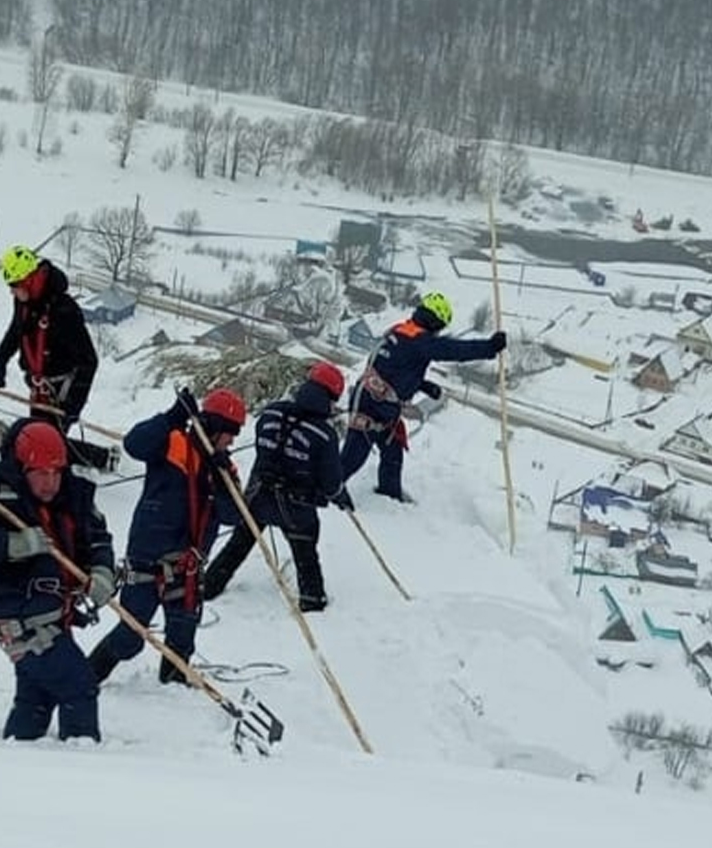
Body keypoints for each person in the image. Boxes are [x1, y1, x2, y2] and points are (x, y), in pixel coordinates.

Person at [0, 418, 116, 742]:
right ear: (21, 468)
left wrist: (103, 571)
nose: (50, 482)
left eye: (56, 472)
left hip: (56, 613)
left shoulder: (73, 493)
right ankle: (84, 766)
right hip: (17, 615)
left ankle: (21, 754)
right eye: (40, 473)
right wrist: (13, 544)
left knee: (38, 696)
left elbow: (98, 538)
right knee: (78, 685)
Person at [86, 387, 247, 686]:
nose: (232, 440)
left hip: (187, 569)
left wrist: (222, 481)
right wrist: (172, 417)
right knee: (129, 637)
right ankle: (85, 678)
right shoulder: (173, 442)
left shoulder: (224, 469)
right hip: (148, 561)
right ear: (214, 427)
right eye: (230, 432)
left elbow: (234, 516)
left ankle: (173, 692)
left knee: (182, 638)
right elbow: (134, 444)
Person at [200, 361, 349, 613]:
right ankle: (312, 599)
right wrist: (339, 495)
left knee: (240, 542)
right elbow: (330, 480)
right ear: (329, 397)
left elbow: (263, 449)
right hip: (295, 506)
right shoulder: (324, 434)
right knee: (305, 549)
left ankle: (210, 585)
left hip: (258, 495)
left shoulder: (271, 413)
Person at [340, 291, 505, 503]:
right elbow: (454, 350)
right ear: (435, 322)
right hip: (373, 405)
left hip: (376, 401)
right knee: (355, 453)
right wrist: (490, 347)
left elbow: (396, 370)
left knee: (392, 451)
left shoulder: (401, 331)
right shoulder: (419, 340)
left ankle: (388, 494)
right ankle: (325, 489)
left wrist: (424, 386)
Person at [0, 245, 108, 470]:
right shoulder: (24, 303)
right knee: (40, 436)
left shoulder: (64, 311)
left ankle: (91, 463)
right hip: (39, 387)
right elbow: (17, 331)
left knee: (48, 444)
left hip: (61, 392)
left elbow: (89, 360)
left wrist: (73, 403)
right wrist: (1, 359)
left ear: (28, 280)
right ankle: (97, 459)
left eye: (14, 286)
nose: (11, 292)